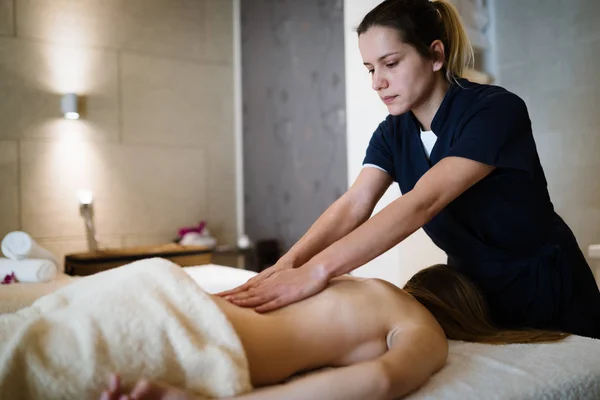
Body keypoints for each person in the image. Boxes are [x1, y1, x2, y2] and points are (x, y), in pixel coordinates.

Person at [218, 0, 600, 339]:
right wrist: (287, 265)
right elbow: (354, 204)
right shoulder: (393, 133)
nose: (377, 83)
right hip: (472, 296)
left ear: (435, 55)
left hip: (547, 288)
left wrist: (318, 271)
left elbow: (423, 202)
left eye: (391, 63)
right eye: (370, 68)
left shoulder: (495, 110)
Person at [101, 264, 569, 400]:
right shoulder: (421, 329)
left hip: (154, 287)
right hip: (193, 331)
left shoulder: (367, 283)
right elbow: (381, 381)